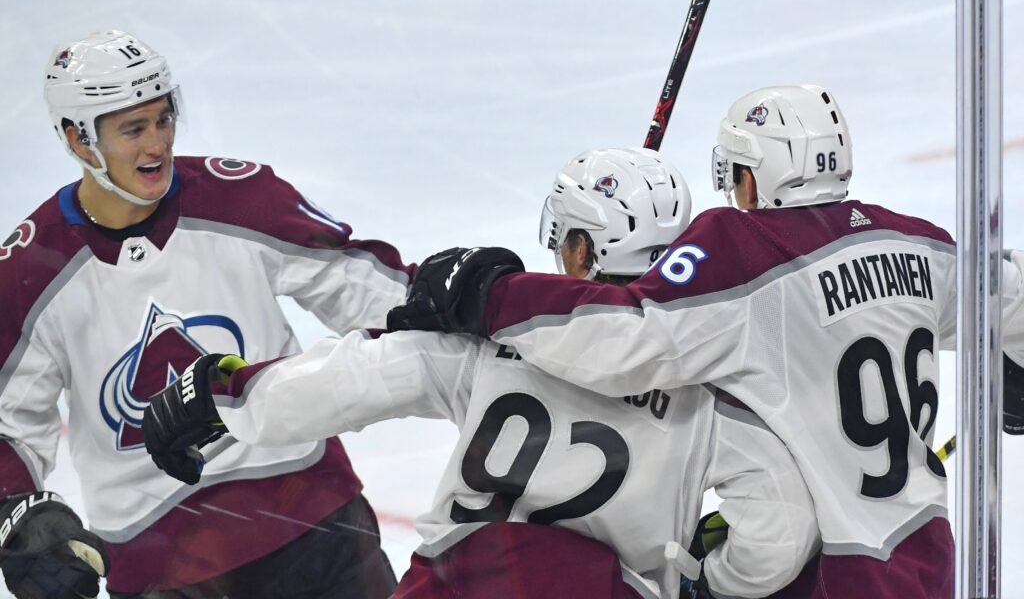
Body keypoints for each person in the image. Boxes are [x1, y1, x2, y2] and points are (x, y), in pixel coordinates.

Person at [386, 85, 1024, 598]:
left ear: (752, 177)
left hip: (828, 572)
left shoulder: (745, 249)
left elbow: (626, 339)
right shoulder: (915, 241)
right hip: (927, 556)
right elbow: (1014, 291)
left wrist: (488, 294)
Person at [142, 147, 819, 599]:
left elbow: (355, 377)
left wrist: (225, 390)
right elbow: (780, 523)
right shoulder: (703, 378)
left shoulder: (497, 335)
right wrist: (714, 581)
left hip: (461, 584)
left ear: (580, 246)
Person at [0, 29, 410, 598]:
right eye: (133, 129)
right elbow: (9, 423)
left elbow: (366, 288)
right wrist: (16, 511)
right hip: (158, 562)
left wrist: (465, 309)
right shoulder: (29, 270)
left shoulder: (238, 198)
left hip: (310, 517)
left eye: (164, 120)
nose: (157, 146)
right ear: (78, 139)